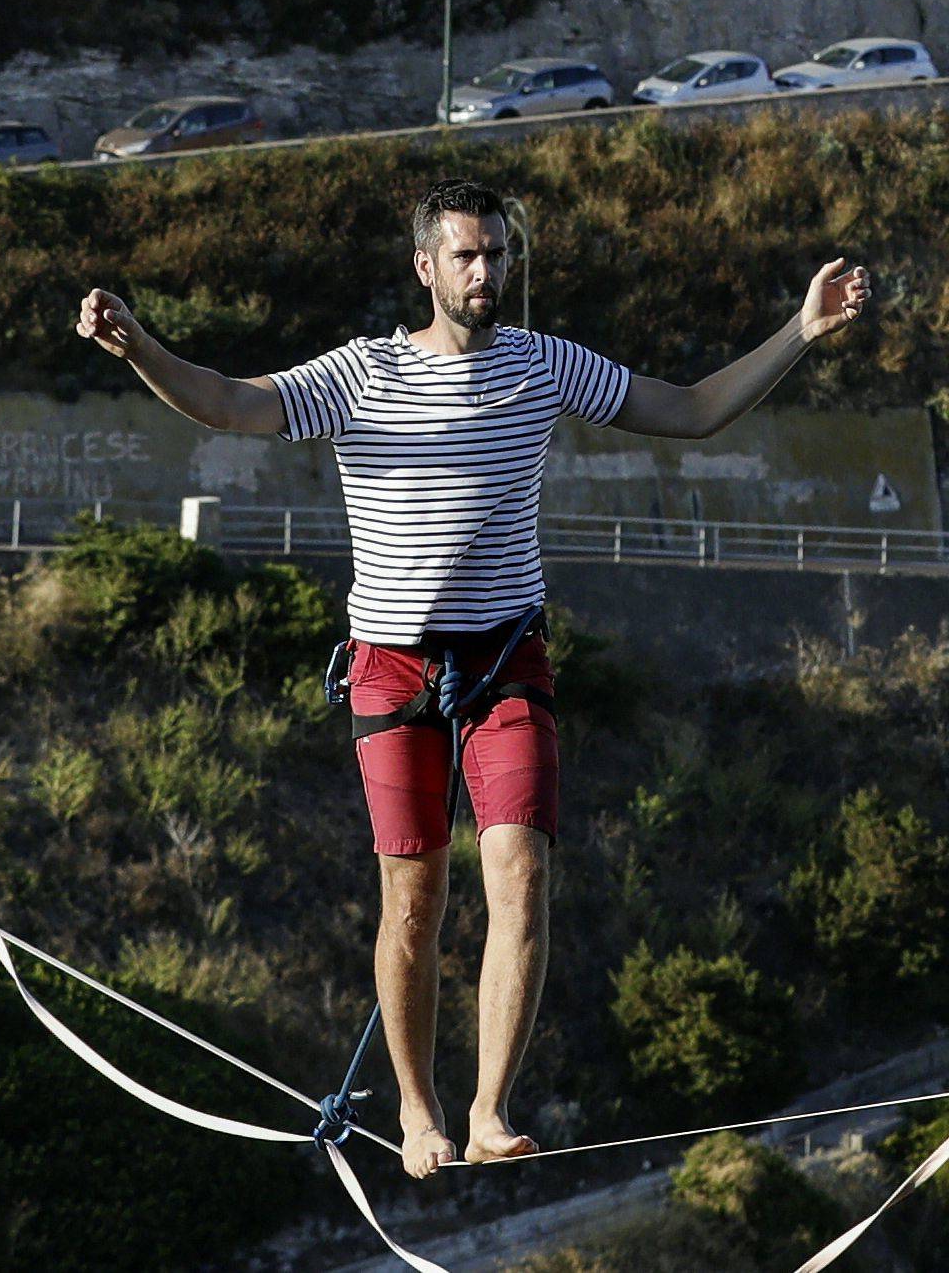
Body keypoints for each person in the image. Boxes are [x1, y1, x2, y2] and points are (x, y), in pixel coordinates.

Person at [76, 178, 869, 1179]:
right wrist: (138, 345)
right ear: (425, 266)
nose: (486, 272)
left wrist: (799, 330)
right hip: (391, 665)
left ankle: (491, 1109)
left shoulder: (545, 367)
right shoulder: (360, 376)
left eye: (497, 254)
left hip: (504, 657)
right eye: (466, 255)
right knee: (414, 899)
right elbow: (232, 405)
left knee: (522, 876)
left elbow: (694, 410)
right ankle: (419, 1111)